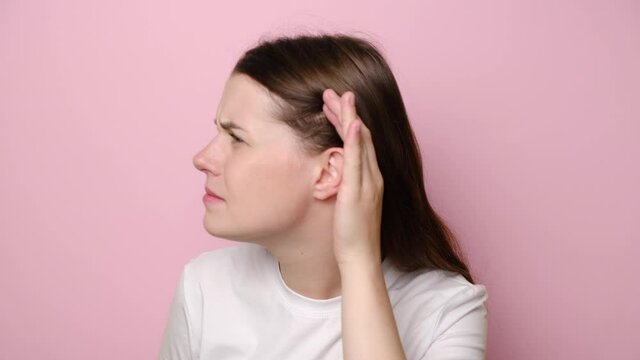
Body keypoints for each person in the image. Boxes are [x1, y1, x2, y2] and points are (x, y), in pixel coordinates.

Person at [158, 32, 488, 360]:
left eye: (236, 138)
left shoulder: (447, 314)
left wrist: (358, 258)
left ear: (329, 172)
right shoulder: (204, 287)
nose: (202, 158)